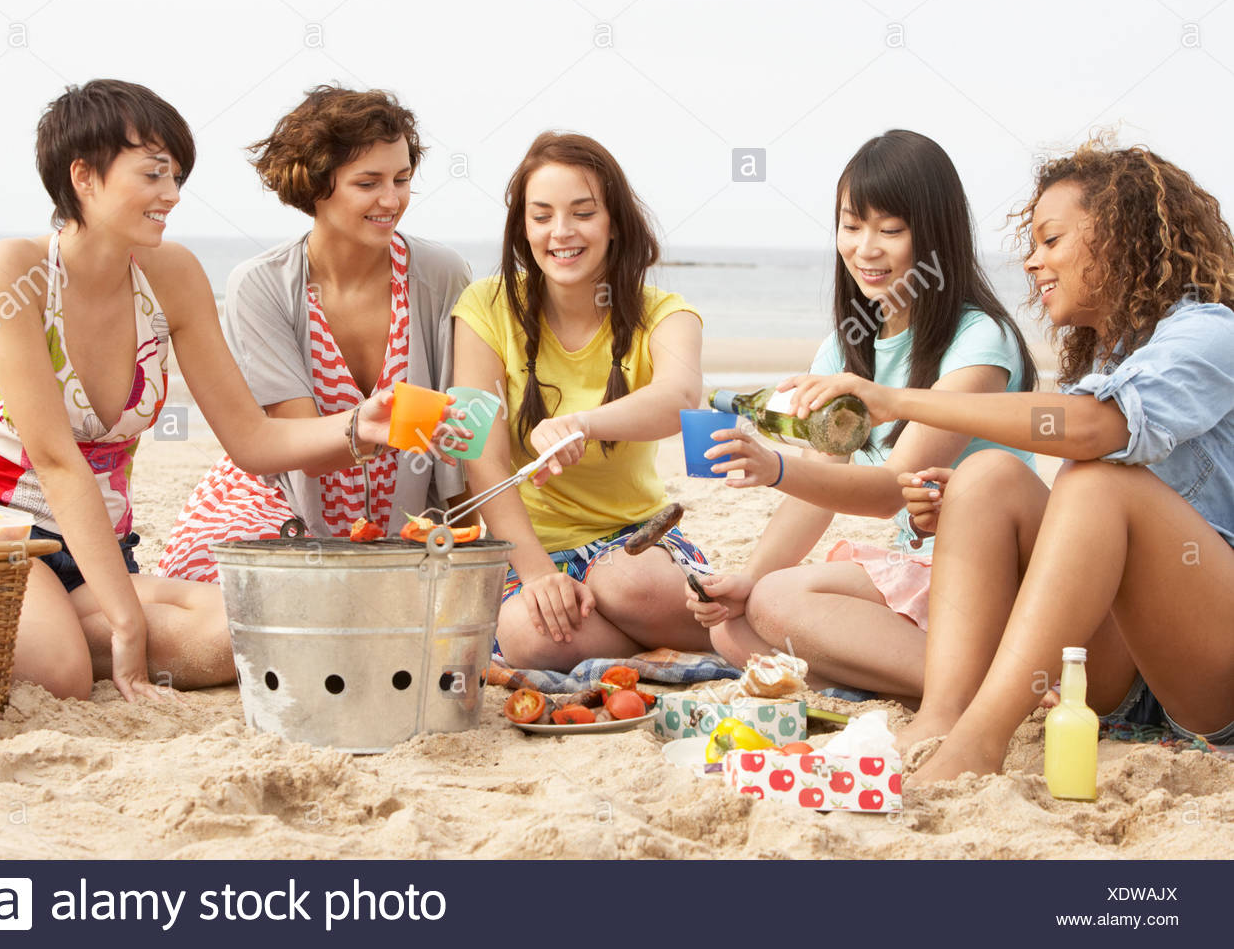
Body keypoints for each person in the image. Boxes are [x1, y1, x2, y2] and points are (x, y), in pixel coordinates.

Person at [0, 80, 464, 703]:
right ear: (83, 176)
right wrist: (129, 625)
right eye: (155, 175)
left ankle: (47, 630)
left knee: (242, 634)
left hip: (103, 553)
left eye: (178, 177)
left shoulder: (173, 275)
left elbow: (253, 438)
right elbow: (56, 462)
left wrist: (362, 427)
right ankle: (21, 625)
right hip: (1, 539)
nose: (173, 195)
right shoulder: (14, 270)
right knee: (61, 677)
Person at [788, 139, 1234, 779]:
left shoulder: (1209, 331)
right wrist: (966, 506)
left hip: (1208, 673)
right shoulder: (1110, 358)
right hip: (1117, 681)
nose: (1031, 261)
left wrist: (894, 400)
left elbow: (1089, 429)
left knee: (1095, 479)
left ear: (1122, 236)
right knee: (987, 475)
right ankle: (942, 717)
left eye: (1053, 240)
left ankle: (980, 738)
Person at [688, 129, 1037, 702]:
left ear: (936, 236)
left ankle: (980, 681)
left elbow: (887, 491)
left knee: (778, 603)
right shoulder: (849, 345)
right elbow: (816, 491)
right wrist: (747, 577)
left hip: (982, 580)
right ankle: (912, 677)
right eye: (851, 226)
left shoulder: (979, 344)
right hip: (918, 567)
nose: (865, 249)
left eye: (890, 230)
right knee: (735, 626)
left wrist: (774, 465)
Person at [158, 86, 470, 583]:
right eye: (368, 183)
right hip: (281, 503)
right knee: (248, 601)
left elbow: (455, 442)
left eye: (402, 178)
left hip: (407, 522)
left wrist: (471, 543)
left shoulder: (441, 274)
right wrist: (375, 424)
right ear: (316, 185)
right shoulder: (262, 284)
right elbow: (300, 450)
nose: (391, 200)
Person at [451, 131, 707, 671]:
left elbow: (681, 397)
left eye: (583, 213)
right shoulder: (485, 306)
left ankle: (661, 636)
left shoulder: (665, 313)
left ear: (614, 221)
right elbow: (481, 454)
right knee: (528, 635)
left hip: (634, 544)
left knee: (626, 581)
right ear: (523, 226)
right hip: (533, 546)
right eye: (541, 216)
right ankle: (657, 649)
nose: (561, 233)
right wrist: (539, 571)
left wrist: (582, 424)